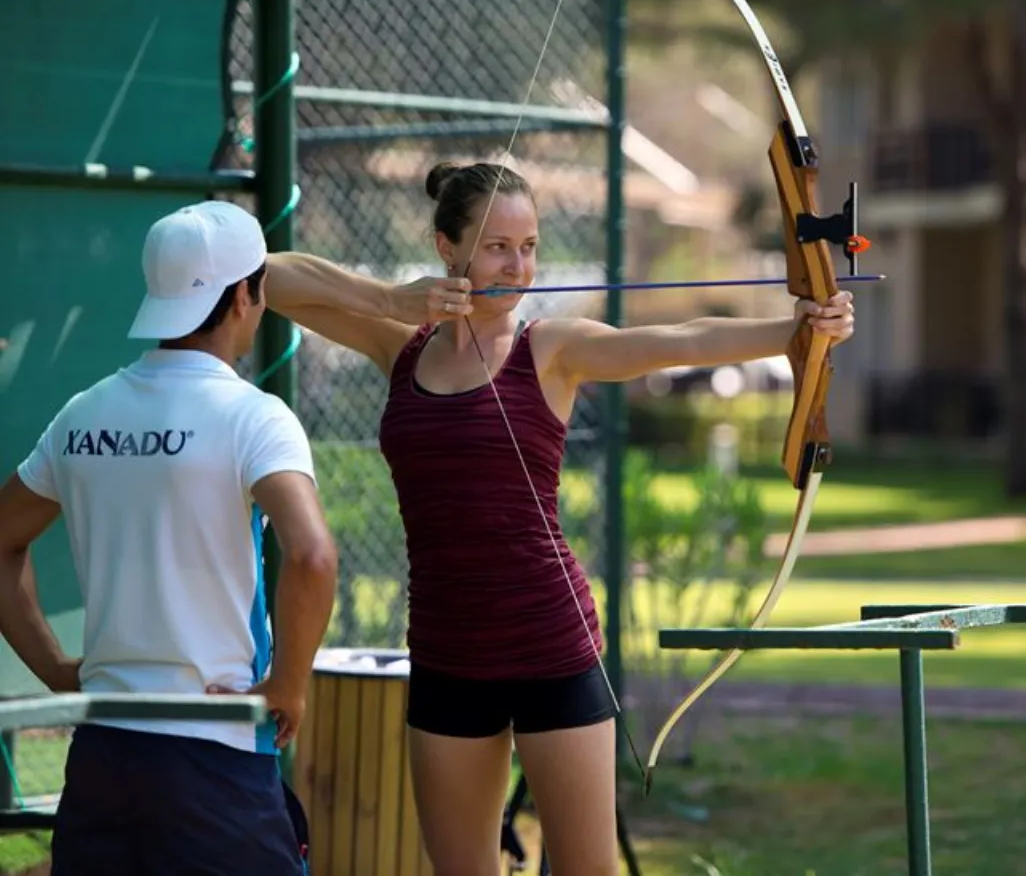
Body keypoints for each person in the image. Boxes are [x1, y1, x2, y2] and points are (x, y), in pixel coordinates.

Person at [265, 160, 855, 876]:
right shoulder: (401, 350)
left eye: (531, 246)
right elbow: (266, 276)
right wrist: (391, 299)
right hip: (448, 654)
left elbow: (685, 341)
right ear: (446, 247)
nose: (518, 267)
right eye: (497, 247)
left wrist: (798, 327)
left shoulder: (552, 349)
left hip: (551, 644)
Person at [0, 200, 338, 875]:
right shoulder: (254, 417)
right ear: (245, 295)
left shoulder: (82, 414)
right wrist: (287, 686)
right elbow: (313, 554)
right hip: (216, 756)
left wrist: (57, 668)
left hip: (102, 756)